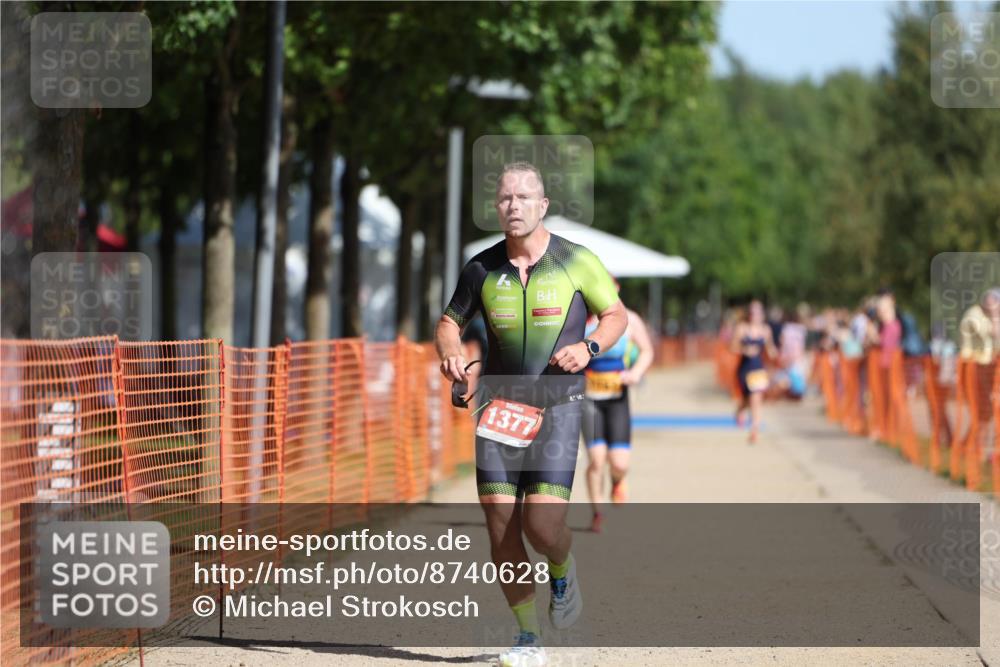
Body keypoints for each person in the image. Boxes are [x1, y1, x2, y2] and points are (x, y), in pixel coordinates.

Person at [435, 161, 626, 667]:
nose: (513, 206)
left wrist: (589, 347)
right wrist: (451, 352)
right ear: (496, 208)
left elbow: (616, 315)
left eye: (523, 198)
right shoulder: (481, 268)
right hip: (499, 408)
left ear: (543, 206)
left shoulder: (576, 260)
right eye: (505, 199)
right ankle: (526, 638)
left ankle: (562, 568)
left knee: (542, 526)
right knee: (500, 521)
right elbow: (449, 323)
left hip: (559, 405)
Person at [580, 284, 654, 533]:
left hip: (617, 397)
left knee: (619, 463)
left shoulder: (630, 319)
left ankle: (618, 480)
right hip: (589, 399)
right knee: (596, 460)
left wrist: (635, 373)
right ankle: (597, 513)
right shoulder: (582, 321)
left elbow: (647, 351)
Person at [730, 300, 778, 444]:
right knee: (747, 400)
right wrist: (745, 350)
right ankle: (739, 410)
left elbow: (770, 348)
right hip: (744, 369)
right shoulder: (741, 328)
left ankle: (754, 430)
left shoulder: (766, 330)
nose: (755, 315)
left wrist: (774, 353)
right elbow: (732, 347)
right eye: (752, 312)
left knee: (756, 398)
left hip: (758, 369)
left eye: (758, 312)